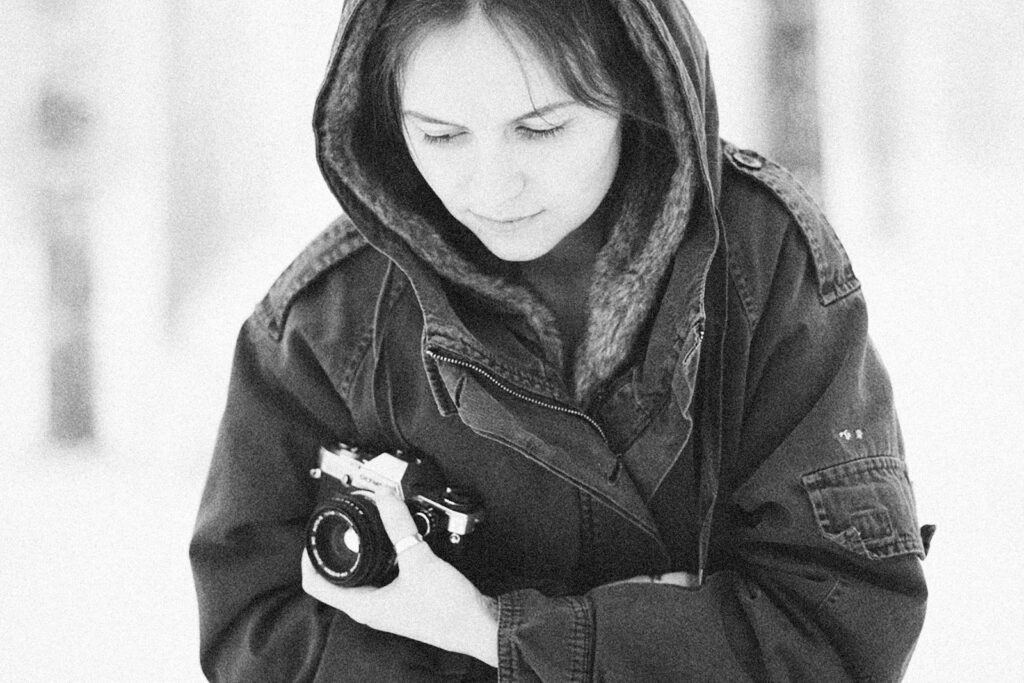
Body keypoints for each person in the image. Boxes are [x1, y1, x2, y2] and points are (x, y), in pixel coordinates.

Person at [190, 0, 933, 680]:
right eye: (440, 135)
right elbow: (255, 636)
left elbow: (840, 631)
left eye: (541, 127)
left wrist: (487, 629)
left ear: (637, 86)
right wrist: (664, 639)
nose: (491, 185)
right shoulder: (324, 325)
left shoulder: (764, 265)